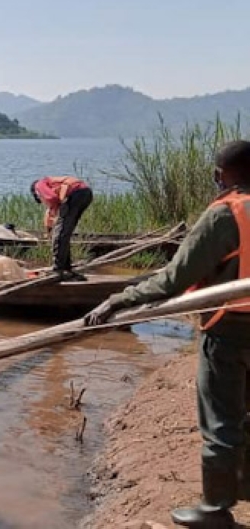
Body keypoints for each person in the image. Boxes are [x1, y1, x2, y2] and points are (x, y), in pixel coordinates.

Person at [84, 140, 250, 528]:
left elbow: (173, 280)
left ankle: (215, 509)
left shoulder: (225, 216)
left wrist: (118, 299)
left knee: (221, 419)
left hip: (228, 330)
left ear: (221, 175)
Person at [30, 176, 93, 281]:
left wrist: (55, 226)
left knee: (59, 236)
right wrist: (49, 229)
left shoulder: (39, 185)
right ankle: (66, 268)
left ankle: (58, 270)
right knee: (65, 234)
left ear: (36, 193)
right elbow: (52, 211)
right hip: (86, 193)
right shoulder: (54, 186)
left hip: (75, 194)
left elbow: (52, 198)